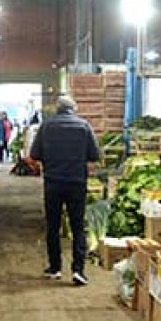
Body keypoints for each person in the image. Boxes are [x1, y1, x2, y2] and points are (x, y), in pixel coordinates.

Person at [29, 95, 100, 285]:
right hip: (77, 183)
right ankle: (78, 270)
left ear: (57, 109)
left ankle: (55, 268)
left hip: (53, 183)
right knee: (77, 227)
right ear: (73, 109)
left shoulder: (46, 126)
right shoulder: (84, 126)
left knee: (53, 226)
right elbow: (94, 155)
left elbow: (34, 154)